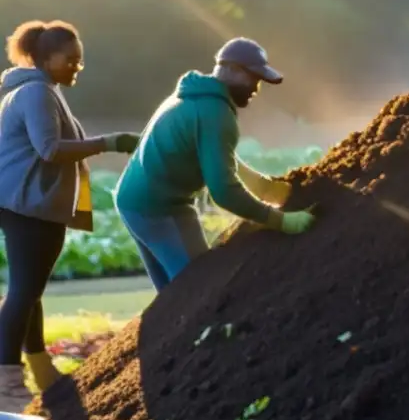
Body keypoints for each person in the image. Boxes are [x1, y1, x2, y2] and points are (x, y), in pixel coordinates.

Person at [0, 20, 139, 411]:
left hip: (23, 202)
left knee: (29, 291)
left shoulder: (36, 90)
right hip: (30, 204)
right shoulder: (36, 93)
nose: (77, 67)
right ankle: (7, 382)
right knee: (23, 293)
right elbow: (49, 149)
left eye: (80, 60)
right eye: (71, 60)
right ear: (45, 59)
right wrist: (110, 142)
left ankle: (41, 372)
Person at [114, 37, 315, 292]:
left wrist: (264, 188)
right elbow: (223, 191)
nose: (255, 88)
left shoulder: (191, 96)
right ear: (229, 69)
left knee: (171, 302)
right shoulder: (215, 113)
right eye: (252, 77)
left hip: (133, 201)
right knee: (199, 291)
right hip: (160, 209)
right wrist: (282, 222)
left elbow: (217, 156)